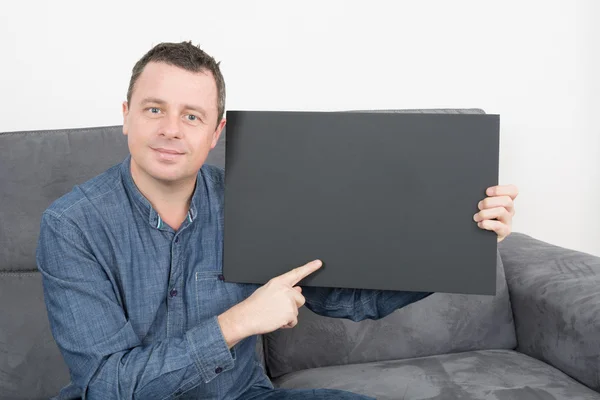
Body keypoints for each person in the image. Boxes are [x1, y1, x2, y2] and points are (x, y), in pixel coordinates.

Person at [36, 41, 519, 400]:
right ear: (126, 116)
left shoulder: (251, 198)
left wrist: (460, 237)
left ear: (215, 132)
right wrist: (237, 322)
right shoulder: (71, 226)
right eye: (155, 109)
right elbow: (107, 384)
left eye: (192, 116)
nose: (169, 129)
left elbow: (351, 298)